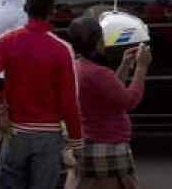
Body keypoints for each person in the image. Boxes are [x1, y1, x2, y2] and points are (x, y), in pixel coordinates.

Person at [0, 0, 83, 189]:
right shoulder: (62, 49)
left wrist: (0, 108)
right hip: (48, 135)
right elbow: (69, 101)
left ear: (26, 8)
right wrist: (76, 140)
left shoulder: (7, 41)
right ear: (52, 11)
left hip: (14, 132)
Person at [65, 13, 152, 189]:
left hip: (85, 143)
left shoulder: (76, 67)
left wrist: (125, 65)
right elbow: (129, 101)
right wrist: (141, 68)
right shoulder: (98, 72)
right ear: (98, 41)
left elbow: (111, 93)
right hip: (108, 147)